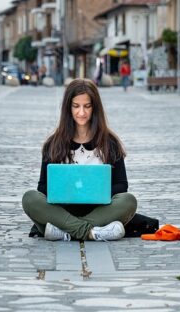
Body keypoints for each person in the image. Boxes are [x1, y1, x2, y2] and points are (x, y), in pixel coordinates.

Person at [22, 78, 137, 241]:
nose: (81, 113)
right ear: (68, 108)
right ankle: (91, 233)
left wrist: (96, 193)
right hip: (62, 212)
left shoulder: (109, 143)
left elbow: (122, 185)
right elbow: (42, 188)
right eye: (76, 106)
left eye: (87, 106)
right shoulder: (53, 144)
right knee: (30, 198)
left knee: (128, 201)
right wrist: (66, 193)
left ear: (95, 108)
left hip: (100, 211)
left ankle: (66, 232)